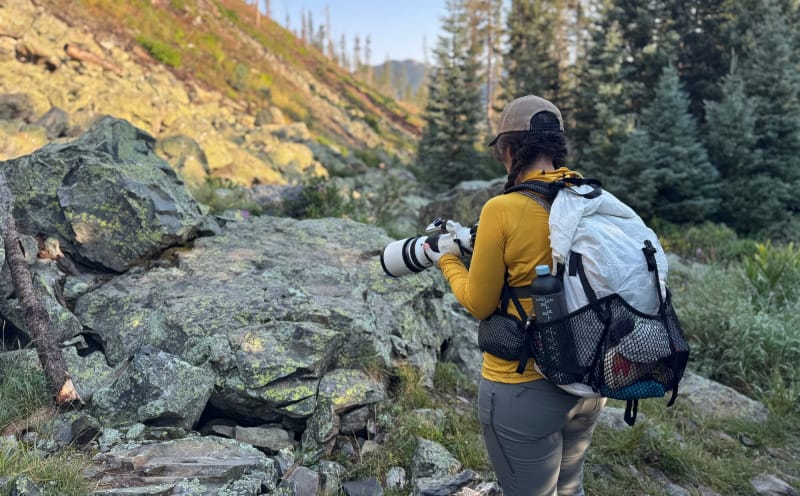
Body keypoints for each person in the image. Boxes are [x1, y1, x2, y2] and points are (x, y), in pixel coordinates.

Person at [423, 95, 606, 496]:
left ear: (508, 150)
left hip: (523, 387)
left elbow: (479, 303)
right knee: (569, 488)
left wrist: (449, 261)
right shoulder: (589, 198)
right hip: (588, 384)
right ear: (558, 147)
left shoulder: (503, 209)